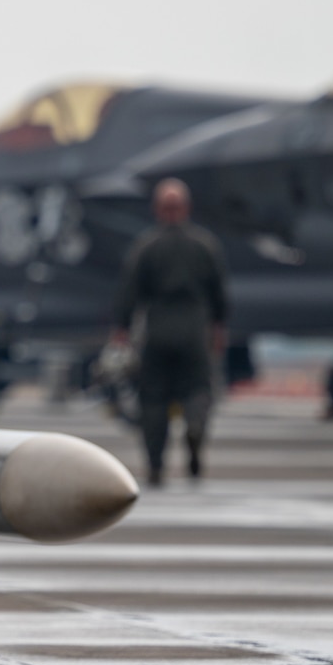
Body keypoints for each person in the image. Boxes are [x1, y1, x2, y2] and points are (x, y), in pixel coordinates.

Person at [113, 178, 228, 486]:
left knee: (152, 400)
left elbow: (129, 291)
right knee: (198, 391)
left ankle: (154, 465)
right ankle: (194, 430)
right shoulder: (204, 245)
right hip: (194, 328)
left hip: (158, 329)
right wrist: (218, 328)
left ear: (158, 210)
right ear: (185, 208)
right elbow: (220, 293)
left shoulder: (146, 247)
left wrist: (122, 329)